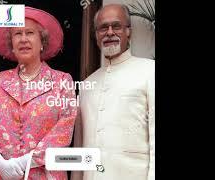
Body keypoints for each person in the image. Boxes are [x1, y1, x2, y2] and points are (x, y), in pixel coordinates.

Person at [0, 6, 77, 180]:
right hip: (1, 175)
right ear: (11, 43)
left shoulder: (62, 81)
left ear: (42, 41)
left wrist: (24, 162)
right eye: (17, 34)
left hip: (45, 175)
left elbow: (64, 130)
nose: (23, 39)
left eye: (29, 33)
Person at [72, 4, 155, 180]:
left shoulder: (150, 71)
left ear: (128, 31)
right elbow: (80, 147)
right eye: (103, 28)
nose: (109, 32)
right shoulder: (87, 84)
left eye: (116, 26)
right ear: (96, 36)